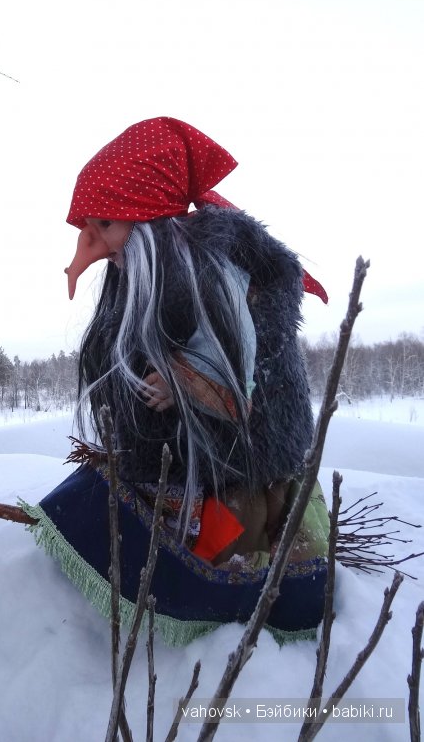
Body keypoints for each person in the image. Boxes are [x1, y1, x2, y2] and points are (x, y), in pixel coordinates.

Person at [22, 117, 330, 645]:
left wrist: (184, 383)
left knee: (221, 562)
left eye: (106, 225)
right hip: (184, 466)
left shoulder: (213, 270)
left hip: (237, 476)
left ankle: (219, 638)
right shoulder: (148, 274)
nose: (96, 244)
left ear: (144, 218)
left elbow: (241, 371)